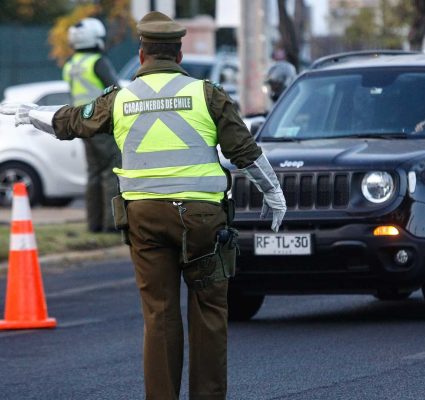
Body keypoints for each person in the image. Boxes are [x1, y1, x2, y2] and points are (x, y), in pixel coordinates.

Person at [0, 11, 286, 400]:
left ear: (141, 55)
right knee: (209, 313)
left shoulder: (119, 99)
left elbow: (73, 122)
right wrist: (274, 194)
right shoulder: (207, 93)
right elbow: (245, 152)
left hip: (145, 220)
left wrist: (34, 116)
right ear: (179, 55)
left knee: (160, 315)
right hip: (203, 220)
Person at [63, 17, 122, 232]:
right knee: (110, 171)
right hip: (102, 122)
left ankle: (94, 224)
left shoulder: (71, 64)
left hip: (81, 123)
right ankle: (111, 224)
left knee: (94, 173)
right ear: (96, 38)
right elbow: (115, 91)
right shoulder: (98, 62)